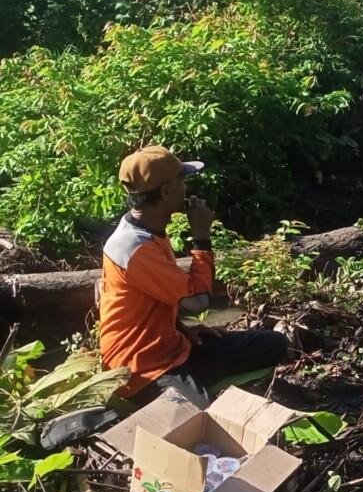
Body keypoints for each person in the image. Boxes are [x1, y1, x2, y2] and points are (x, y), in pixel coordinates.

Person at [99, 145, 289, 405]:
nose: (186, 188)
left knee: (273, 344)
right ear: (166, 192)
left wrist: (184, 329)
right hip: (141, 367)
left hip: (173, 347)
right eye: (181, 181)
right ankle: (177, 394)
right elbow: (199, 302)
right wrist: (201, 239)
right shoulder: (133, 247)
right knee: (198, 418)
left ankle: (197, 383)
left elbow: (157, 301)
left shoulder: (149, 231)